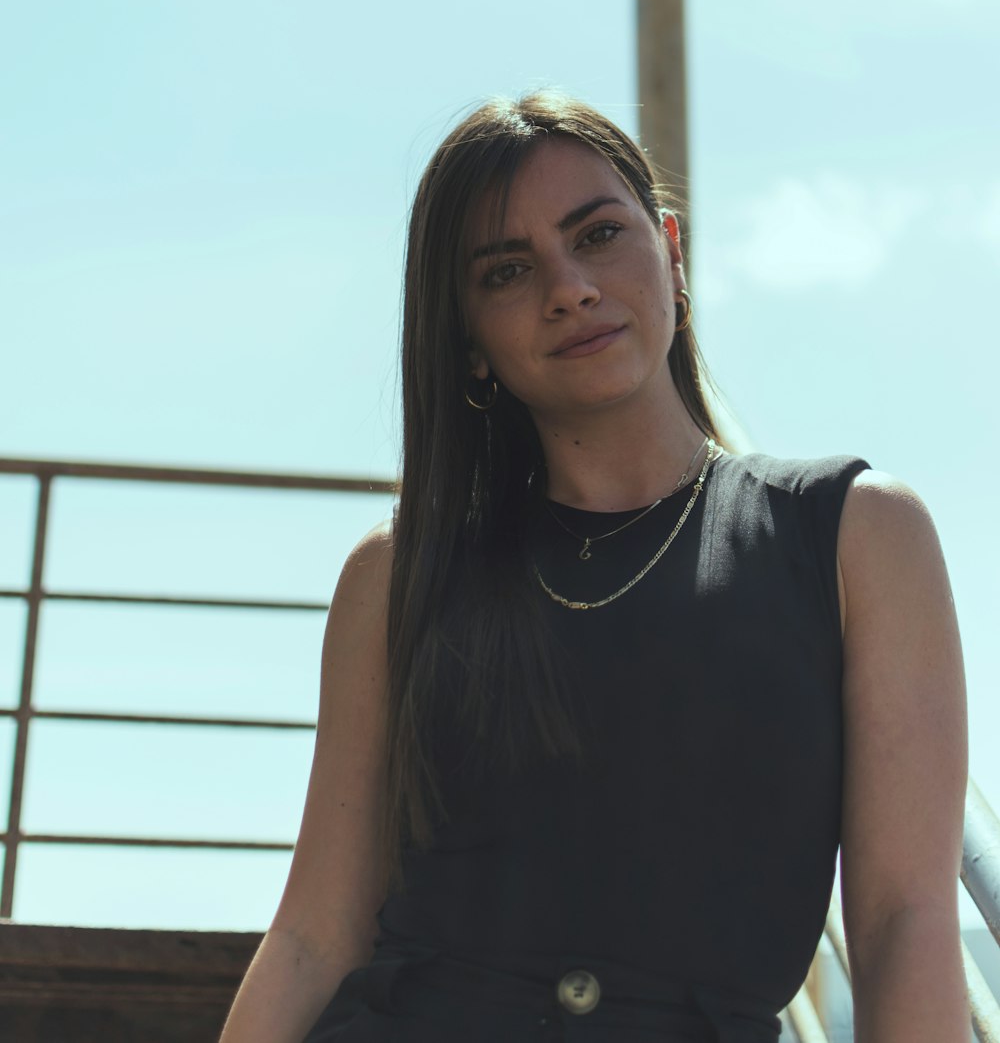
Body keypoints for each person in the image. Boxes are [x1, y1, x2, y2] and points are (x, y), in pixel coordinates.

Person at [219, 91, 969, 1043]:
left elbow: (906, 925)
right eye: (507, 271)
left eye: (600, 235)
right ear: (470, 344)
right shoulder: (400, 575)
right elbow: (312, 938)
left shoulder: (856, 535)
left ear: (673, 250)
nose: (568, 286)